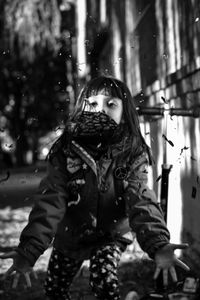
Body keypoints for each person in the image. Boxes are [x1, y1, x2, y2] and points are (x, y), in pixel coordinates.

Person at [0, 75, 189, 300]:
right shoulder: (66, 151)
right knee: (55, 289)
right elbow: (50, 202)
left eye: (111, 104)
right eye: (93, 103)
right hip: (70, 234)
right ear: (82, 108)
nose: (101, 110)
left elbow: (141, 200)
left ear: (125, 112)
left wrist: (158, 244)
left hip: (111, 234)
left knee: (104, 280)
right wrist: (29, 249)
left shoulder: (131, 153)